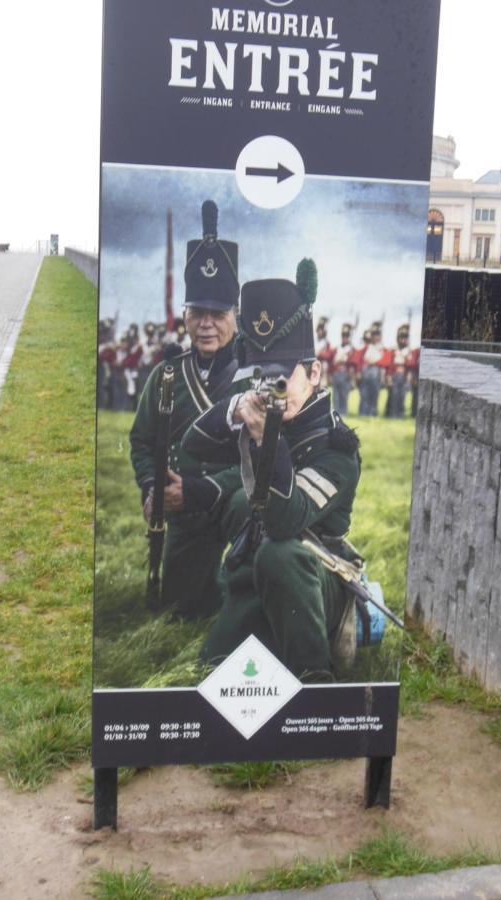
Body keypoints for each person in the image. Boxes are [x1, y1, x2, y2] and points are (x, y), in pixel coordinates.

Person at [182, 259, 362, 681]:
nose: (271, 391)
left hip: (315, 580)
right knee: (214, 667)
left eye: (283, 378)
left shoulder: (336, 449)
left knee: (280, 554)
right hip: (260, 565)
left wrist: (267, 439)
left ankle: (314, 674)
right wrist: (234, 410)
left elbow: (284, 522)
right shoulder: (259, 411)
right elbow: (192, 447)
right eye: (261, 378)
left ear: (314, 373)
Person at [129, 200, 244, 619]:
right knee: (182, 608)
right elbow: (142, 441)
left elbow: (268, 463)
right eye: (198, 313)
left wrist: (198, 487)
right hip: (186, 515)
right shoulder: (166, 375)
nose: (207, 323)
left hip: (238, 508)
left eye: (218, 313)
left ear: (235, 316)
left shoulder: (256, 375)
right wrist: (151, 489)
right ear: (185, 316)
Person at [330, 322, 355, 415]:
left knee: (344, 395)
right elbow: (331, 361)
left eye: (347, 336)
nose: (345, 338)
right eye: (343, 336)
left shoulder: (352, 349)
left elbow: (352, 363)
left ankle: (344, 413)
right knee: (336, 396)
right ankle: (336, 413)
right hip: (336, 374)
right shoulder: (337, 349)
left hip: (346, 375)